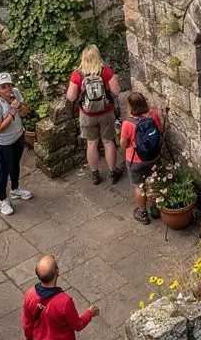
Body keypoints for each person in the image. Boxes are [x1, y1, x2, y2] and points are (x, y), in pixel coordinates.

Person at [22, 254, 99, 340]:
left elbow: (27, 323)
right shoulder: (64, 301)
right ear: (58, 272)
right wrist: (90, 312)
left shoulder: (30, 294)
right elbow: (78, 325)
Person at [66, 44, 122, 186]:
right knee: (108, 142)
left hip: (87, 114)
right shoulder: (105, 71)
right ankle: (112, 172)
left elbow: (71, 97)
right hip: (106, 112)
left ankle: (95, 173)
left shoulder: (77, 74)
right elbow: (117, 92)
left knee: (91, 143)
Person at [0, 70, 33, 217]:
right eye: (3, 87)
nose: (7, 89)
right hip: (4, 142)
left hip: (18, 136)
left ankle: (15, 189)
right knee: (5, 168)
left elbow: (25, 113)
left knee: (16, 164)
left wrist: (20, 107)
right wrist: (12, 113)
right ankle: (2, 199)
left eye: (8, 85)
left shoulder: (15, 93)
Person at [121, 91, 164, 224]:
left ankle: (143, 213)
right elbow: (159, 131)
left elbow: (123, 142)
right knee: (153, 182)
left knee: (139, 186)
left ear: (130, 106)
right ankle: (155, 208)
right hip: (154, 156)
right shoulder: (153, 115)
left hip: (135, 159)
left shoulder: (128, 123)